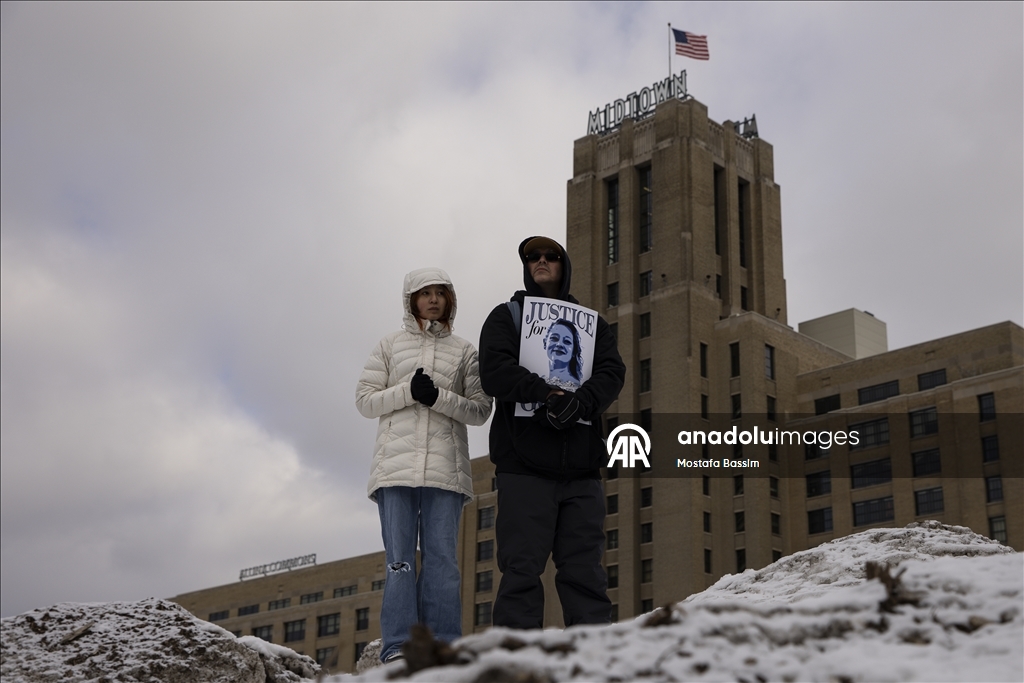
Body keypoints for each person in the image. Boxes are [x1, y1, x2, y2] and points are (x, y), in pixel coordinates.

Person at [478, 236, 626, 629]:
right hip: (523, 467)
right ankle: (515, 662)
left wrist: (581, 402)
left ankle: (596, 662)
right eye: (532, 257)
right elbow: (494, 371)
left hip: (582, 470)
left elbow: (613, 372)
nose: (540, 261)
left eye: (550, 256)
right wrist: (546, 395)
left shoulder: (593, 325)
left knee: (586, 574)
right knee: (521, 573)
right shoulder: (506, 316)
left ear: (564, 265)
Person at [356, 267, 492, 662]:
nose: (433, 299)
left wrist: (437, 398)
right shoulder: (388, 345)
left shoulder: (465, 351)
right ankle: (398, 647)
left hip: (446, 473)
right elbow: (365, 400)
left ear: (450, 299)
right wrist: (407, 392)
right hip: (394, 470)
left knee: (443, 561)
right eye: (424, 293)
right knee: (398, 559)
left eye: (440, 293)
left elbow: (481, 409)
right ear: (410, 299)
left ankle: (444, 644)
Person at [543, 319, 583, 391]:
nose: (559, 344)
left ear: (574, 351)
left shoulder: (579, 389)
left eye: (567, 341)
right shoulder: (537, 381)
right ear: (545, 343)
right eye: (554, 338)